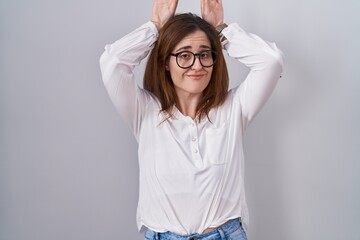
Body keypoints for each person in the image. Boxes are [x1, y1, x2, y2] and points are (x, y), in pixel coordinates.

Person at [99, 0, 284, 239]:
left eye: (204, 54)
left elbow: (271, 61)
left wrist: (221, 29)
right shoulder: (144, 111)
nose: (196, 65)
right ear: (166, 62)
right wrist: (155, 27)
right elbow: (113, 63)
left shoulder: (233, 109)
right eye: (184, 55)